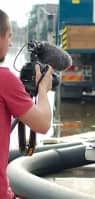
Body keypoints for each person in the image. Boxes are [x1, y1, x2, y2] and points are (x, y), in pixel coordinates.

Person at [0, 9, 53, 199]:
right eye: (9, 36)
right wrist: (43, 89)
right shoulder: (4, 80)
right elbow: (43, 124)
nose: (11, 43)